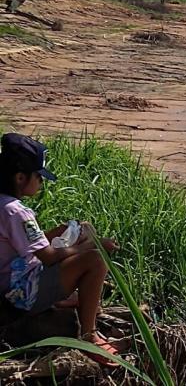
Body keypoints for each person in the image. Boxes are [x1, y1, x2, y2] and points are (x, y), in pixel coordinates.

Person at [0, 133, 120, 365]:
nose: (41, 183)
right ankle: (89, 335)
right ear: (20, 177)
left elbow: (25, 245)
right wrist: (93, 245)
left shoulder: (3, 206)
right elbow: (48, 256)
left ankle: (64, 300)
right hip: (19, 294)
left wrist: (57, 232)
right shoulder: (17, 212)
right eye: (39, 177)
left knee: (82, 234)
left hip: (8, 281)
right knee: (95, 260)